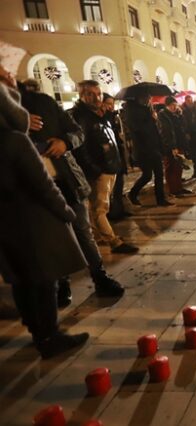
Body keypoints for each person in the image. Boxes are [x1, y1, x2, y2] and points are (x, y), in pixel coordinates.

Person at [0, 72, 89, 359]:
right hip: (34, 223)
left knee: (22, 280)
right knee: (44, 278)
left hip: (7, 225)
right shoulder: (15, 140)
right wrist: (66, 213)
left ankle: (36, 330)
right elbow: (44, 186)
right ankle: (49, 336)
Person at [17, 72, 126, 306]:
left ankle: (100, 277)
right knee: (52, 238)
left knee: (83, 232)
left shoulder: (45, 103)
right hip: (33, 186)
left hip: (66, 180)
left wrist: (64, 142)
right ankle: (62, 285)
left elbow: (77, 133)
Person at [69, 80, 138, 255]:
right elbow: (80, 148)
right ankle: (114, 242)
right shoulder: (81, 117)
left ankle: (97, 238)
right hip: (100, 170)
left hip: (108, 167)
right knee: (100, 209)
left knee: (96, 208)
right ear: (81, 95)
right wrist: (95, 170)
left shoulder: (97, 114)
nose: (96, 97)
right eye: (90, 94)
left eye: (98, 93)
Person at [122, 94, 173, 206]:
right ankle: (133, 194)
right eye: (147, 97)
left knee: (159, 174)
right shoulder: (132, 111)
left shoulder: (146, 110)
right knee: (147, 175)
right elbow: (139, 130)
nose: (149, 99)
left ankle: (160, 199)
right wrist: (150, 119)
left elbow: (154, 131)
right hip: (144, 149)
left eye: (149, 97)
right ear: (140, 98)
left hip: (153, 147)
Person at [102, 93, 132, 221]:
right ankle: (111, 213)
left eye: (112, 104)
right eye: (108, 104)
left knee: (119, 185)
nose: (111, 107)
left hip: (117, 156)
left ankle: (119, 209)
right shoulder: (103, 118)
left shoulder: (113, 118)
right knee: (109, 190)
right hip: (108, 160)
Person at [158, 96, 191, 195]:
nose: (174, 107)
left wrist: (180, 115)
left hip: (179, 144)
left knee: (178, 167)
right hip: (170, 146)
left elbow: (183, 127)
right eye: (172, 105)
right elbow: (166, 132)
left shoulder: (176, 114)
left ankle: (179, 188)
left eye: (175, 105)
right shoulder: (163, 115)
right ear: (167, 105)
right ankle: (173, 190)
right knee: (171, 168)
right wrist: (172, 147)